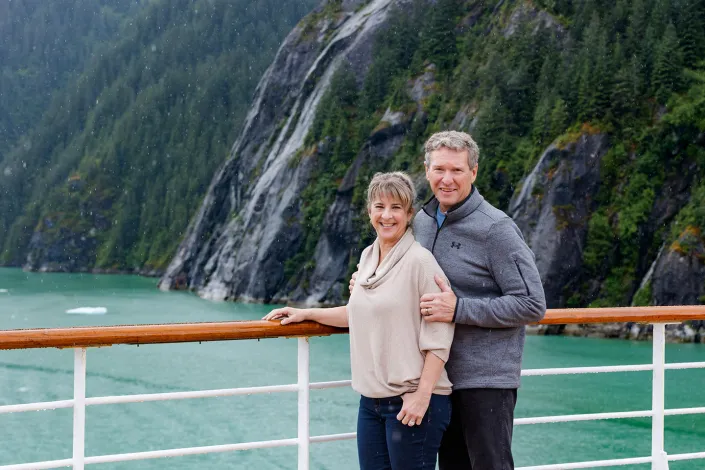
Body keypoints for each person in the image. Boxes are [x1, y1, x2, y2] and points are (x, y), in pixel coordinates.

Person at [351, 131, 546, 469]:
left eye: (457, 170)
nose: (447, 179)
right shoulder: (422, 222)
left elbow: (531, 303)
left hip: (484, 381)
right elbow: (404, 279)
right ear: (426, 171)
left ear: (474, 172)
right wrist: (367, 284)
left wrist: (459, 308)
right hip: (436, 381)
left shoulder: (496, 229)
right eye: (439, 169)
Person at [264, 172, 455, 470]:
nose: (387, 215)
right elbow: (358, 313)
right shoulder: (368, 256)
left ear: (409, 214)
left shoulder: (421, 262)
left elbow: (440, 334)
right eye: (379, 206)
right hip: (372, 402)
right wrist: (306, 313)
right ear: (369, 212)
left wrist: (422, 395)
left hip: (412, 400)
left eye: (396, 208)